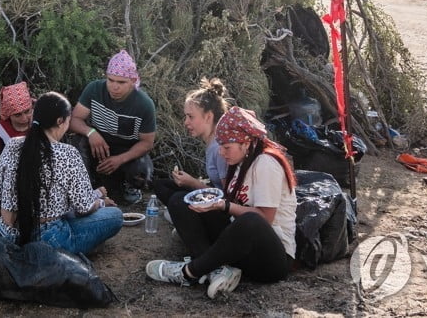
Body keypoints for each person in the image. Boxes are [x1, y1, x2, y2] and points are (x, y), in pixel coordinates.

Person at [146, 106, 298, 299]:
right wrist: (211, 202)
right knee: (180, 200)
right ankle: (215, 270)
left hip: (271, 259)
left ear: (246, 142)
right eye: (221, 147)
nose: (222, 153)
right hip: (241, 247)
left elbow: (265, 219)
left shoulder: (266, 164)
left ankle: (189, 272)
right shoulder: (240, 162)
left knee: (250, 222)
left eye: (227, 148)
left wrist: (224, 206)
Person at [0, 92, 123, 254]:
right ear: (61, 121)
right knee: (115, 216)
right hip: (49, 237)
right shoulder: (67, 153)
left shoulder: (11, 146)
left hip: (10, 234)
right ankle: (77, 250)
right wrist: (100, 202)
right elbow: (84, 208)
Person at [70, 50, 156, 205]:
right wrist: (91, 132)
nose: (114, 87)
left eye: (121, 82)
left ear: (132, 81)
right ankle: (86, 189)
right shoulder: (94, 89)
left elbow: (147, 143)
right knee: (77, 142)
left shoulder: (144, 104)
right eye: (111, 80)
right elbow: (74, 120)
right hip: (99, 147)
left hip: (127, 152)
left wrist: (120, 159)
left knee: (143, 171)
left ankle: (130, 188)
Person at [154, 78, 230, 211]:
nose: (186, 122)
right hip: (213, 198)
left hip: (221, 208)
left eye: (191, 117)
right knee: (162, 185)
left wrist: (193, 183)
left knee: (177, 201)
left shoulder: (220, 148)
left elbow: (227, 195)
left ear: (208, 116)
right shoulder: (211, 142)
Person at [0, 81, 35, 177]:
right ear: (9, 114)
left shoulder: (39, 122)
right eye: (17, 115)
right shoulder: (1, 130)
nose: (24, 118)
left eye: (27, 112)